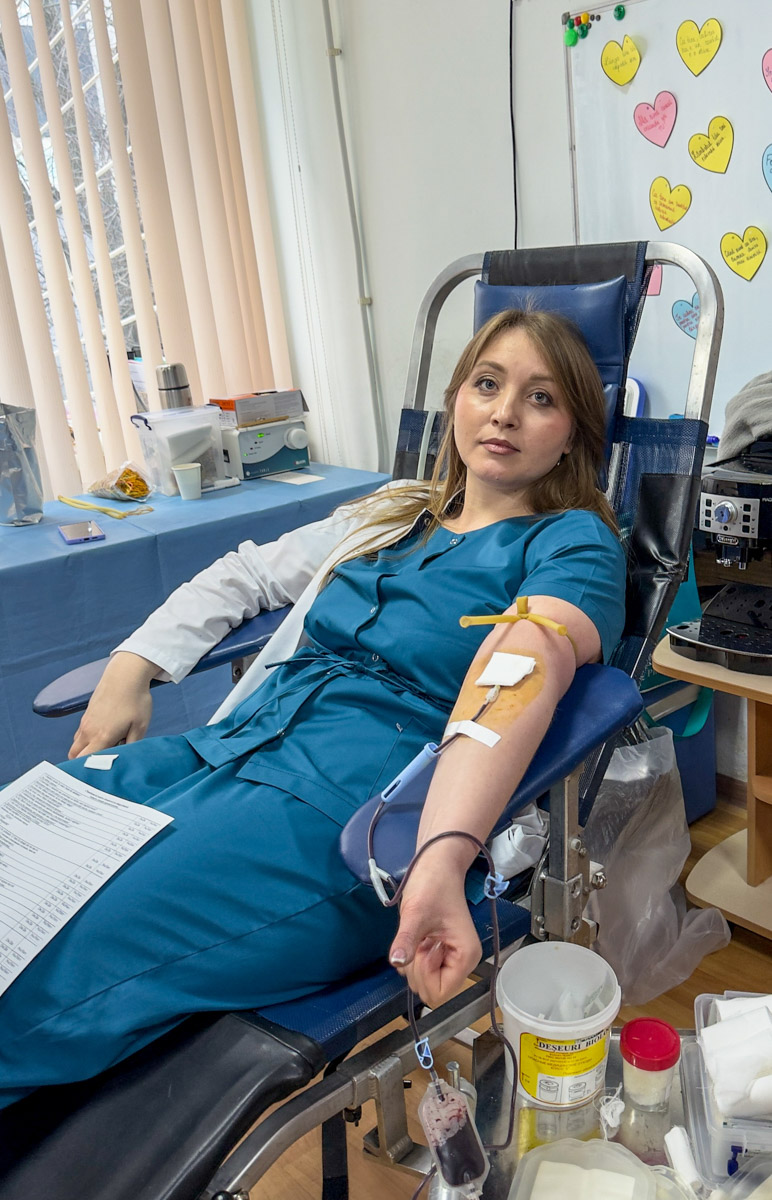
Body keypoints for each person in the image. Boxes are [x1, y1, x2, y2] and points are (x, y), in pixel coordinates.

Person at [0, 308, 626, 1108]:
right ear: (455, 401)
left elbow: (517, 671)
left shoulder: (572, 543)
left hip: (342, 814)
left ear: (571, 436)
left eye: (540, 399)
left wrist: (440, 854)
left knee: (56, 957)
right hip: (227, 749)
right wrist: (133, 665)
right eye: (487, 383)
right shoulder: (395, 511)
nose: (504, 412)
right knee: (20, 842)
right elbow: (248, 573)